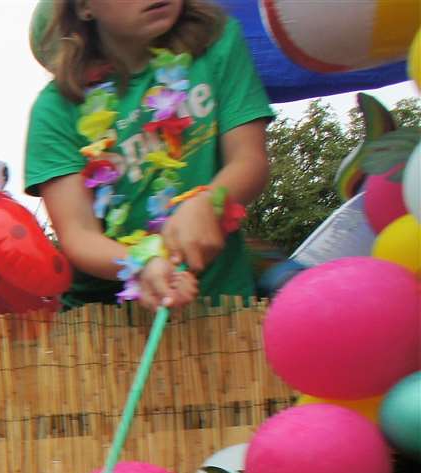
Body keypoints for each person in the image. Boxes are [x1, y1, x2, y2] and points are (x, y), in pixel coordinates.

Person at [27, 0, 271, 308]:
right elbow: (79, 234)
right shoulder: (56, 109)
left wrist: (211, 201)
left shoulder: (218, 43)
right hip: (107, 329)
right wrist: (142, 264)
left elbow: (249, 160)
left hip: (226, 311)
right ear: (84, 7)